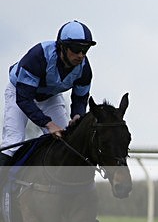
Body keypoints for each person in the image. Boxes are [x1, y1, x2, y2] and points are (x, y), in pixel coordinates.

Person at [0, 20, 96, 167]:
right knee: (13, 142)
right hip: (19, 93)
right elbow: (24, 99)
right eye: (76, 48)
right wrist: (48, 124)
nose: (81, 55)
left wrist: (77, 115)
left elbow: (80, 98)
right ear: (62, 46)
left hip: (50, 97)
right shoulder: (38, 57)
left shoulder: (85, 70)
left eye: (85, 49)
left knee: (66, 141)